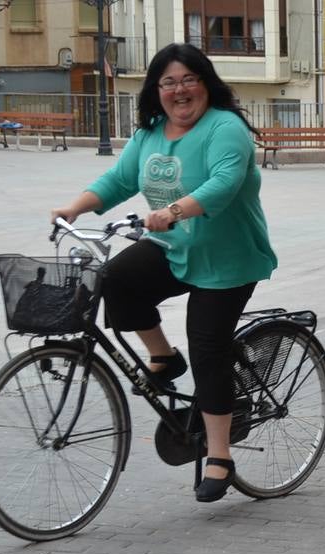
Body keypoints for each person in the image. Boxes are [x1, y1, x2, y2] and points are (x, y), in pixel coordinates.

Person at [50, 43, 277, 503]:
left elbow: (223, 184)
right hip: (174, 248)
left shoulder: (225, 128)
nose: (179, 90)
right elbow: (118, 180)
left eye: (188, 79)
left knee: (209, 348)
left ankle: (220, 455)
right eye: (169, 82)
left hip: (227, 260)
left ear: (206, 82)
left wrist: (173, 210)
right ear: (157, 90)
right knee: (114, 280)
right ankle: (164, 357)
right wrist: (75, 207)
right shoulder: (150, 132)